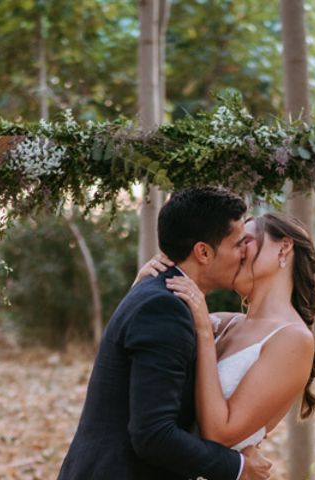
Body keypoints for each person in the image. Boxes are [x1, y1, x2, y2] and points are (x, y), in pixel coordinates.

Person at [57, 187, 272, 480]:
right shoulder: (164, 309)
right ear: (204, 252)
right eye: (237, 245)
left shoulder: (161, 295)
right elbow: (153, 434)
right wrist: (237, 468)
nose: (244, 254)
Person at [135, 212, 315, 452]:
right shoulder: (225, 323)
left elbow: (219, 434)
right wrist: (144, 287)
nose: (237, 251)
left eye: (246, 240)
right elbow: (143, 343)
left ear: (284, 247)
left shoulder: (293, 339)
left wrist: (203, 332)